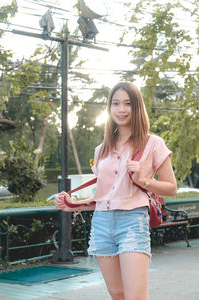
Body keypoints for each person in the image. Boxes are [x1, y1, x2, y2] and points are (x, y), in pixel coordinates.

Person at [55, 82, 177, 300]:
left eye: (128, 103)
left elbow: (172, 188)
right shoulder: (101, 149)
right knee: (117, 295)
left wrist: (144, 179)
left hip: (132, 222)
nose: (121, 109)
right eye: (116, 103)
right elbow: (102, 196)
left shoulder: (153, 143)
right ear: (109, 108)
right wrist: (72, 205)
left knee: (135, 297)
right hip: (102, 223)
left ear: (137, 107)